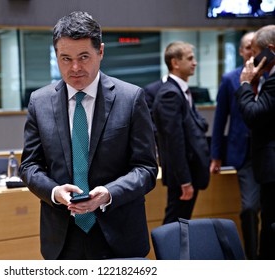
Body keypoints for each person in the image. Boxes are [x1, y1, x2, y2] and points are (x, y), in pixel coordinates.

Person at [19, 11, 158, 260]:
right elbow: (30, 166)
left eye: (84, 57)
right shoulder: (39, 102)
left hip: (118, 234)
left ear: (100, 52)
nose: (75, 68)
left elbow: (146, 168)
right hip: (61, 237)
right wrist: (54, 192)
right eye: (65, 58)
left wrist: (109, 193)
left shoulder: (131, 98)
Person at [210, 31, 260, 259]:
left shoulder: (271, 75)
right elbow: (220, 120)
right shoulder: (230, 79)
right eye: (248, 47)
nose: (252, 51)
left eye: (256, 47)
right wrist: (216, 156)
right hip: (245, 153)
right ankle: (251, 258)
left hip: (269, 151)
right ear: (241, 51)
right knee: (249, 208)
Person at [152, 41, 210, 225]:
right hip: (182, 175)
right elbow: (173, 143)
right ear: (175, 63)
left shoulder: (181, 90)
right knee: (175, 224)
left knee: (181, 223)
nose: (195, 63)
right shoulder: (170, 94)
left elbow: (197, 125)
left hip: (188, 171)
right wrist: (185, 181)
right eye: (190, 58)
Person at [235, 24, 275, 260]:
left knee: (270, 228)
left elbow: (254, 115)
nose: (253, 57)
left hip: (272, 170)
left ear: (270, 50)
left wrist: (245, 84)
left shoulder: (272, 80)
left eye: (257, 51)